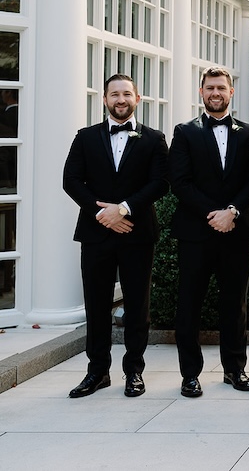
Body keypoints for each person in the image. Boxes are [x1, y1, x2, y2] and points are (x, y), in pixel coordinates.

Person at [63, 73, 168, 398]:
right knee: (96, 305)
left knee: (137, 305)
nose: (120, 100)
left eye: (126, 94)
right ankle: (97, 373)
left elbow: (160, 183)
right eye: (114, 94)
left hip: (137, 232)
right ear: (105, 99)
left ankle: (134, 372)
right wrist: (102, 214)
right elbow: (71, 180)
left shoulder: (154, 138)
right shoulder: (85, 137)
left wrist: (122, 209)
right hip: (96, 234)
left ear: (137, 98)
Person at [169, 67, 249, 398]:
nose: (215, 92)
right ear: (201, 92)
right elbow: (179, 181)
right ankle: (189, 374)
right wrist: (214, 214)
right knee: (189, 303)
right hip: (196, 231)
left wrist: (232, 211)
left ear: (231, 92)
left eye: (221, 87)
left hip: (238, 231)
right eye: (210, 88)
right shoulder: (185, 132)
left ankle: (234, 369)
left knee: (235, 304)